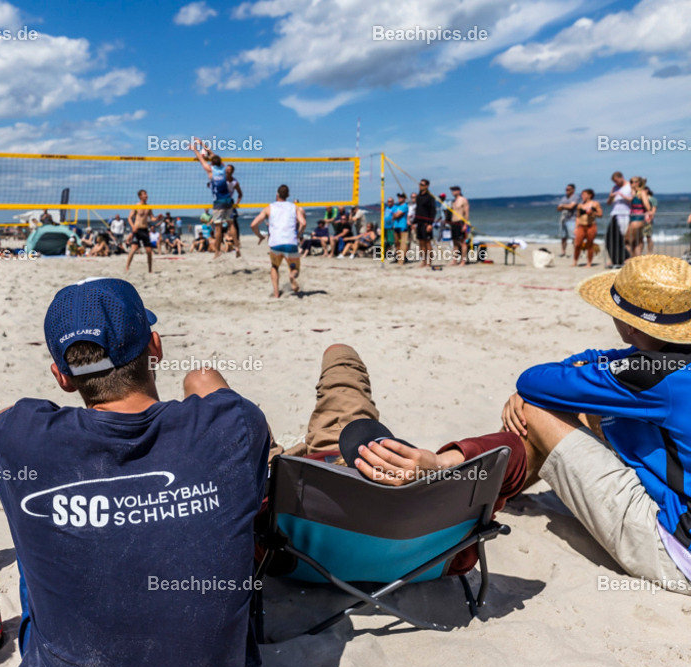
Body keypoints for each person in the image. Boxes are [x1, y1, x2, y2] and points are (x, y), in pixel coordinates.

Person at [0, 278, 269, 667]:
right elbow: (217, 393)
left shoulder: (18, 440)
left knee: (41, 545)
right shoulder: (235, 425)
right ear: (156, 347)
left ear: (61, 377)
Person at [502, 255, 691, 595]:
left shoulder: (651, 376)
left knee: (535, 409)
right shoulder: (666, 365)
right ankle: (495, 487)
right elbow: (603, 359)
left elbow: (533, 380)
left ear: (629, 326)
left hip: (678, 551)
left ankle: (482, 497)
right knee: (599, 408)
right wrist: (577, 372)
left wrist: (536, 391)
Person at [267, 344, 526, 575]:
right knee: (343, 366)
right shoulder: (453, 553)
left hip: (296, 549)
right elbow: (511, 450)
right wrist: (440, 465)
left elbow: (253, 516)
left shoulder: (273, 552)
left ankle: (297, 450)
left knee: (337, 356)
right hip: (424, 567)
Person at [250, 184, 306, 298]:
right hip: (290, 242)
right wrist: (298, 234)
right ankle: (292, 276)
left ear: (277, 195)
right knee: (295, 269)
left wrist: (260, 236)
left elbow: (253, 224)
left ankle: (276, 294)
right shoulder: (294, 207)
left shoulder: (269, 208)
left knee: (274, 267)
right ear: (288, 195)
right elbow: (303, 223)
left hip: (275, 244)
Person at [192, 139, 234, 250]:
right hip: (228, 200)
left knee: (218, 227)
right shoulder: (224, 168)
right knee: (231, 224)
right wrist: (202, 143)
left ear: (212, 163)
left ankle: (217, 251)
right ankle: (237, 246)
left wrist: (194, 149)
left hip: (218, 202)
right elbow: (213, 154)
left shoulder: (210, 170)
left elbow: (201, 159)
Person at [125, 189, 156, 273]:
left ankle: (150, 270)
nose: (146, 195)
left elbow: (152, 218)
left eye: (146, 194)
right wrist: (133, 227)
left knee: (149, 251)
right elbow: (129, 218)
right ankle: (127, 268)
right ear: (140, 196)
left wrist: (157, 218)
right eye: (144, 194)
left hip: (145, 230)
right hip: (137, 230)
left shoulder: (148, 207)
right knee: (133, 249)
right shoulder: (136, 206)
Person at [606, 171, 632, 269]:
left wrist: (623, 196)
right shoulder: (614, 188)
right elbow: (608, 203)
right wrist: (611, 197)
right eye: (614, 181)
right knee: (610, 238)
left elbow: (633, 199)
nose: (616, 183)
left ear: (621, 177)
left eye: (617, 181)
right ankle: (614, 258)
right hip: (614, 214)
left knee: (624, 238)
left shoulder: (629, 186)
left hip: (625, 214)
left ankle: (626, 258)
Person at [573, 189, 602, 267]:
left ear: (589, 195)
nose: (582, 196)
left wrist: (593, 213)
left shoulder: (595, 204)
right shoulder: (580, 205)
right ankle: (575, 261)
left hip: (591, 226)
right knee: (577, 244)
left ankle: (589, 262)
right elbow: (578, 217)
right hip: (581, 226)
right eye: (582, 194)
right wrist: (576, 228)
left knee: (590, 244)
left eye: (584, 194)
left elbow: (600, 214)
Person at [414, 180, 437, 267]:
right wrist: (414, 222)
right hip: (419, 223)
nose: (420, 186)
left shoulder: (430, 197)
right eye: (420, 184)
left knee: (427, 243)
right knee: (421, 243)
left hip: (426, 223)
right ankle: (423, 261)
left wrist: (430, 224)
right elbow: (418, 210)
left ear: (427, 186)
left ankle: (429, 262)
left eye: (422, 184)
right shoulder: (418, 197)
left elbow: (433, 211)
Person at [627, 176, 650, 259]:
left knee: (628, 241)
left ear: (638, 183)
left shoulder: (641, 193)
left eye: (632, 182)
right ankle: (636, 259)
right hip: (634, 218)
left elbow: (647, 206)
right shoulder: (634, 193)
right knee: (637, 241)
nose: (631, 184)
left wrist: (647, 212)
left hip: (638, 218)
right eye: (630, 182)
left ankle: (633, 259)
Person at [448, 186, 470, 266]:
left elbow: (466, 213)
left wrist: (465, 225)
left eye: (454, 190)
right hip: (453, 223)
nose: (453, 192)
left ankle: (463, 261)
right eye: (452, 190)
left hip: (460, 222)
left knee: (462, 243)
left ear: (459, 191)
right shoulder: (453, 201)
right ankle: (454, 260)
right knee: (455, 243)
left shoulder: (463, 200)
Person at [557, 183, 578, 257]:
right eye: (566, 189)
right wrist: (564, 206)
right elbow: (558, 208)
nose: (567, 191)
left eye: (569, 189)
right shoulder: (564, 198)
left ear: (573, 190)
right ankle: (563, 252)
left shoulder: (575, 197)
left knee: (574, 237)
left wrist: (563, 206)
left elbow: (571, 206)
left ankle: (575, 253)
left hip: (572, 219)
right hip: (564, 219)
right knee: (563, 237)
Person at [391, 194, 408, 263]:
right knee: (397, 243)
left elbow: (397, 215)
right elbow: (393, 217)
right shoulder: (398, 207)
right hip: (396, 226)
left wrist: (395, 215)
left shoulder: (405, 206)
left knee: (403, 243)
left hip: (402, 226)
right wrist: (395, 215)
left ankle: (403, 258)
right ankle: (398, 257)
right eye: (399, 197)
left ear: (404, 198)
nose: (399, 199)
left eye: (401, 197)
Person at [644, 187, 658, 255]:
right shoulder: (644, 198)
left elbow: (654, 210)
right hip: (642, 219)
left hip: (648, 219)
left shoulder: (652, 199)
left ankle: (649, 252)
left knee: (648, 237)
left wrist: (651, 218)